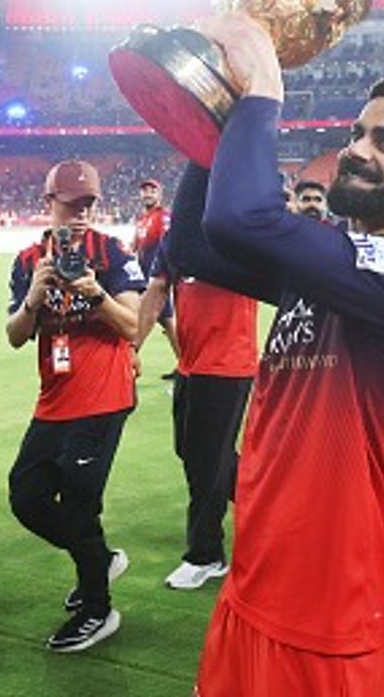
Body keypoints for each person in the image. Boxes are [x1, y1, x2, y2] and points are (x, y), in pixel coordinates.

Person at [169, 13, 384, 696]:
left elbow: (241, 218)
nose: (358, 151)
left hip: (327, 625)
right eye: (357, 134)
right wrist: (212, 120)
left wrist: (262, 89)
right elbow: (191, 245)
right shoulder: (330, 269)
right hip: (253, 589)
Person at [6, 160, 146, 652]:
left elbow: (132, 326)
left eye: (89, 204)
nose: (82, 214)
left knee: (80, 503)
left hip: (105, 397)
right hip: (54, 398)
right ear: (49, 204)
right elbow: (14, 337)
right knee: (25, 495)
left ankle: (97, 607)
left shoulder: (111, 253)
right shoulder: (28, 261)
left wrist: (96, 292)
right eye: (72, 204)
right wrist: (35, 298)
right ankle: (97, 560)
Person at [135, 225, 259, 591]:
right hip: (191, 363)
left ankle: (206, 555)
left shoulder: (238, 233)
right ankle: (268, 506)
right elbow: (157, 290)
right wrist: (132, 348)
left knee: (206, 461)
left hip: (229, 365)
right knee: (192, 451)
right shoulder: (177, 239)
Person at [133, 177, 180, 378]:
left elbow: (166, 243)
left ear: (159, 195)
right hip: (145, 274)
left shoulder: (162, 216)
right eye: (145, 190)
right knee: (168, 322)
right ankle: (185, 364)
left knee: (144, 315)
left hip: (156, 276)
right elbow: (137, 246)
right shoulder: (142, 219)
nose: (148, 193)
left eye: (152, 190)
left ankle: (129, 358)